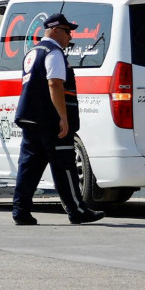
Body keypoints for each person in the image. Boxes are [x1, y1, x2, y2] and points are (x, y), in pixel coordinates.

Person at [12, 13, 104, 226]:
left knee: (29, 167)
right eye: (67, 31)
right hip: (49, 120)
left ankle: (20, 211)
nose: (70, 36)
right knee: (64, 166)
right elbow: (54, 84)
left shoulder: (33, 52)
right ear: (54, 30)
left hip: (30, 118)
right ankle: (77, 210)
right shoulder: (53, 52)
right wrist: (62, 117)